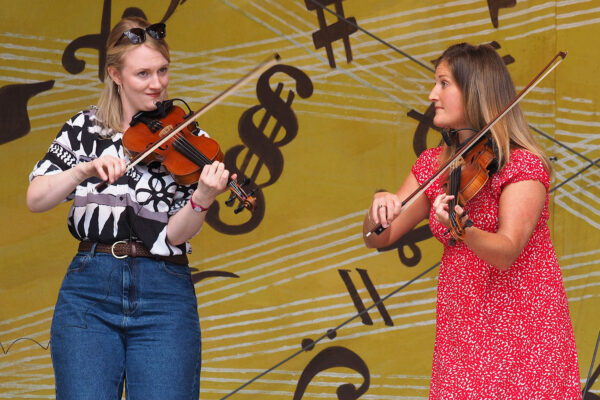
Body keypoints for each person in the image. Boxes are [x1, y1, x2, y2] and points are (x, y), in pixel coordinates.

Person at [26, 17, 232, 399]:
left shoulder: (187, 134)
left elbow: (174, 236)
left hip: (164, 291)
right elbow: (36, 198)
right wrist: (83, 169)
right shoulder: (84, 128)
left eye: (162, 70)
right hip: (89, 288)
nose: (157, 84)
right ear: (115, 75)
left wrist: (202, 198)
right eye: (143, 74)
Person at [363, 43, 581, 399]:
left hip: (522, 336)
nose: (433, 94)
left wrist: (464, 229)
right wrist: (377, 209)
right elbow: (379, 238)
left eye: (444, 83)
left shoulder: (522, 165)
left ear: (475, 91)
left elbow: (507, 250)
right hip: (462, 332)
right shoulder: (436, 165)